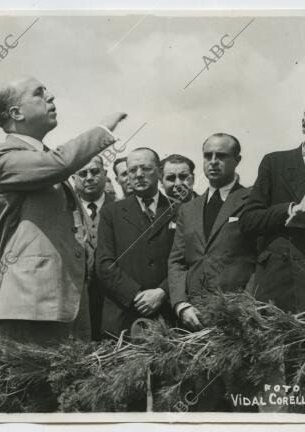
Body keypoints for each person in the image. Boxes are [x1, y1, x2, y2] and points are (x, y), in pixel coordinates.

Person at [0, 76, 127, 346]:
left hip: (62, 303)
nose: (51, 97)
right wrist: (102, 130)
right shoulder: (1, 157)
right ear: (16, 113)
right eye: (39, 94)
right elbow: (59, 163)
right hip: (33, 307)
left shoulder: (43, 158)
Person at [167, 133, 257, 411]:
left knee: (241, 401)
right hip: (194, 321)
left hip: (236, 321)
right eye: (208, 156)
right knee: (204, 401)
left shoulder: (251, 199)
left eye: (221, 156)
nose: (213, 162)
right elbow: (178, 261)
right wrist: (181, 304)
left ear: (237, 160)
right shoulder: (189, 209)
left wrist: (245, 306)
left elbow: (260, 258)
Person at [240, 94, 305, 314]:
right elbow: (248, 222)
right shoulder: (275, 163)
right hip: (277, 286)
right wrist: (292, 209)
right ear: (303, 125)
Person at [96, 148, 178, 338]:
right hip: (123, 317)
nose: (139, 174)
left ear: (159, 171)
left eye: (146, 168)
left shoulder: (179, 210)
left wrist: (161, 292)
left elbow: (187, 259)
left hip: (167, 316)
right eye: (132, 170)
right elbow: (104, 263)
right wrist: (136, 294)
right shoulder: (111, 213)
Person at [73, 156, 115, 340]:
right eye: (82, 173)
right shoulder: (64, 210)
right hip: (78, 301)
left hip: (112, 301)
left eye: (95, 172)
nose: (89, 177)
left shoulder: (120, 207)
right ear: (74, 178)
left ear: (105, 174)